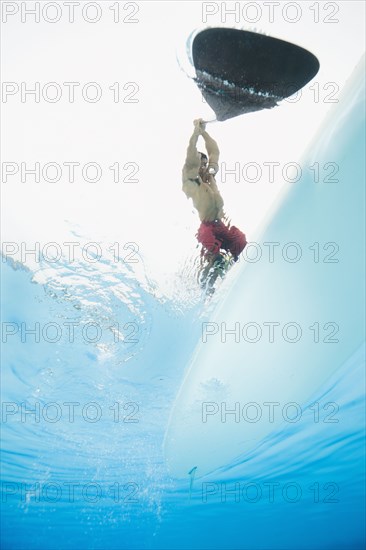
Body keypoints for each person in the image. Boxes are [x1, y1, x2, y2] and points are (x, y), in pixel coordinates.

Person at [182, 118, 247, 291]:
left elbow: (214, 152)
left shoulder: (210, 178)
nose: (204, 166)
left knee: (240, 239)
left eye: (205, 164)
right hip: (206, 228)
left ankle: (236, 269)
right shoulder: (192, 182)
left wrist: (204, 132)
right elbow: (191, 157)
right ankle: (207, 284)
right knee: (216, 257)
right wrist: (196, 133)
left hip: (220, 226)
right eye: (200, 164)